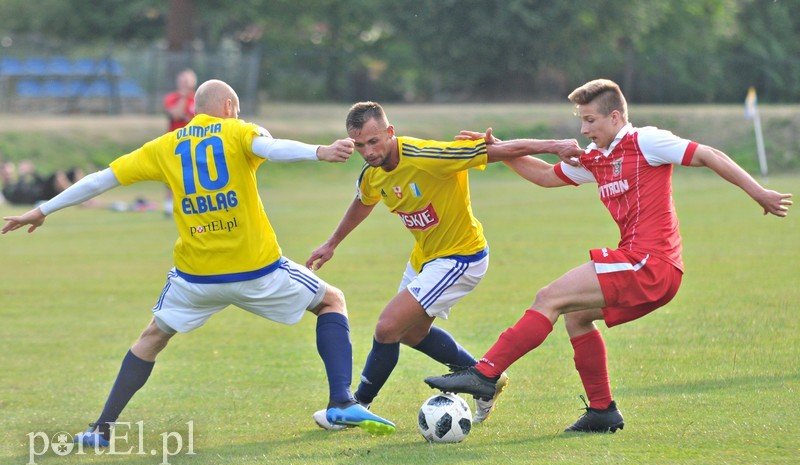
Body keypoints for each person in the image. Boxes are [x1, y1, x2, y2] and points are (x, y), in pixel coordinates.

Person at [1, 80, 398, 446]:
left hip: (196, 278)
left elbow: (103, 179)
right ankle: (341, 401)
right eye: (237, 110)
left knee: (151, 338)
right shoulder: (238, 130)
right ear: (228, 106)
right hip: (255, 270)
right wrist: (320, 151)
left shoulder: (165, 145)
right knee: (331, 301)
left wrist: (43, 209)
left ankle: (101, 429)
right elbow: (271, 148)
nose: (238, 116)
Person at [424, 78, 793, 433]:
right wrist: (501, 150)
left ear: (615, 117)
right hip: (650, 270)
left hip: (651, 263)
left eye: (590, 120)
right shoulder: (598, 157)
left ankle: (485, 374)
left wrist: (758, 192)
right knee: (576, 318)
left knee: (549, 297)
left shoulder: (645, 140)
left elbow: (709, 154)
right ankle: (602, 411)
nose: (584, 130)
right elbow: (545, 177)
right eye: (581, 121)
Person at [306, 101, 583, 430]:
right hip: (425, 258)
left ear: (390, 132)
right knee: (410, 333)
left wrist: (556, 145)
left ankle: (354, 406)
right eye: (359, 145)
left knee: (387, 327)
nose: (368, 151)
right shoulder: (373, 173)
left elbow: (499, 150)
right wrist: (333, 242)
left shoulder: (429, 156)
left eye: (374, 141)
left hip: (461, 257)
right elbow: (363, 202)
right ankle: (487, 378)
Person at [162, 68, 198, 216]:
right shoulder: (172, 98)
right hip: (175, 142)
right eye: (182, 80)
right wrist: (183, 98)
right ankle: (169, 206)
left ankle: (193, 205)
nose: (185, 84)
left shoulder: (198, 99)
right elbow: (175, 114)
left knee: (193, 175)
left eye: (187, 81)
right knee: (171, 174)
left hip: (193, 142)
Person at [0, 159, 84, 206]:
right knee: (56, 175)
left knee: (75, 171)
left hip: (43, 189)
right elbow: (22, 193)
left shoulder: (18, 182)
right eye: (7, 173)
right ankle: (78, 199)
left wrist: (33, 172)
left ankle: (88, 199)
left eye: (10, 173)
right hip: (41, 196)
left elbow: (41, 181)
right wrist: (23, 175)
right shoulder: (6, 189)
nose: (9, 175)